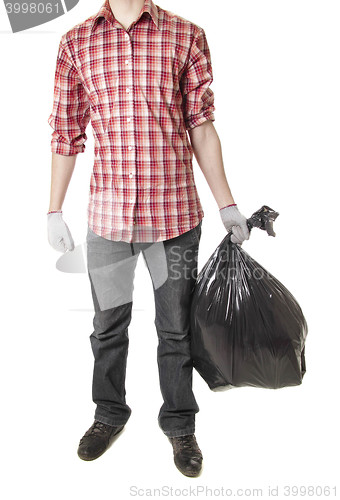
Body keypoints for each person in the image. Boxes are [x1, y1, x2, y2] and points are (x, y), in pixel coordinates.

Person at [47, 0, 250, 478]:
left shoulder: (186, 35)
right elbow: (65, 133)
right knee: (108, 328)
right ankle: (108, 414)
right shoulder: (75, 42)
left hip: (174, 220)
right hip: (109, 222)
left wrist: (226, 204)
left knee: (176, 330)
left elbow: (201, 126)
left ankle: (180, 424)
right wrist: (54, 209)